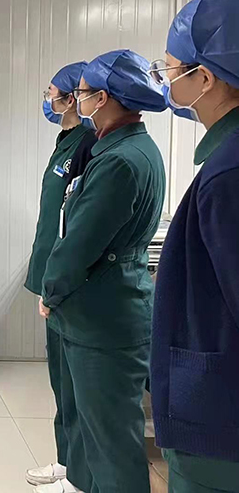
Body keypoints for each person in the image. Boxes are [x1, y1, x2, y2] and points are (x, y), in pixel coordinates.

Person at [37, 50, 167, 493]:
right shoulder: (131, 148)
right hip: (104, 307)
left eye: (83, 94)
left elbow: (80, 243)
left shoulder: (118, 162)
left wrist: (51, 291)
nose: (78, 101)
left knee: (111, 443)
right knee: (93, 431)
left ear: (104, 98)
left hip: (104, 316)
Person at [149, 0, 239, 493]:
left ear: (204, 78)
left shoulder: (230, 174)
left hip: (220, 425)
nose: (164, 81)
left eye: (169, 69)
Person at [24, 61, 97, 488]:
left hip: (67, 284)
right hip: (52, 275)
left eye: (51, 93)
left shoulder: (88, 143)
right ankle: (67, 463)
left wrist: (58, 282)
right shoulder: (66, 140)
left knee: (74, 382)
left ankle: (80, 475)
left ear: (72, 99)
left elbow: (81, 221)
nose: (47, 99)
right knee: (61, 380)